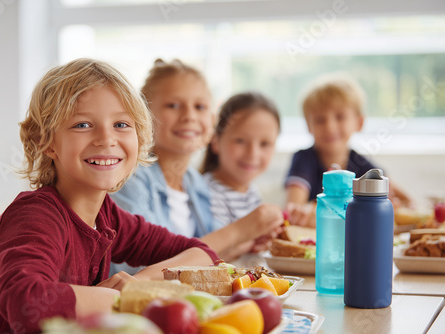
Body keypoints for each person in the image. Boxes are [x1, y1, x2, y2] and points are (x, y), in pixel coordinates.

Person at [0, 58, 218, 334]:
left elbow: (201, 253)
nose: (106, 139)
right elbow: (28, 302)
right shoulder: (35, 216)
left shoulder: (107, 216)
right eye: (83, 125)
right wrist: (121, 298)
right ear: (45, 141)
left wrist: (139, 284)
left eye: (121, 124)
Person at [111, 59, 283, 273]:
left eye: (199, 107)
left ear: (212, 120)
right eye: (173, 105)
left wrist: (248, 240)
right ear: (143, 114)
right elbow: (137, 269)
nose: (189, 116)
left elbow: (204, 255)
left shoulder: (195, 183)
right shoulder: (129, 179)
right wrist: (239, 231)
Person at [285, 74, 412, 226]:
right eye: (320, 120)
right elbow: (294, 207)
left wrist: (393, 205)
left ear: (359, 122)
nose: (329, 127)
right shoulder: (304, 159)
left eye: (339, 117)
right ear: (308, 125)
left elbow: (407, 201)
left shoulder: (362, 165)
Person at [200, 92, 281, 228]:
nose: (253, 154)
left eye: (265, 144)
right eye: (240, 141)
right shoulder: (206, 194)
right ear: (215, 141)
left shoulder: (252, 193)